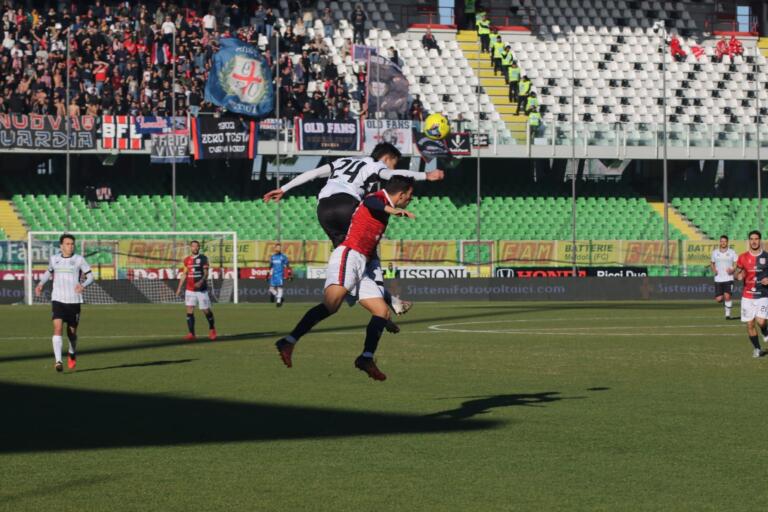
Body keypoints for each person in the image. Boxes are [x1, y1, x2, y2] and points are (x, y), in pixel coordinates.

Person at [262, 143, 445, 331]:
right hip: (347, 204)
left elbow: (313, 173)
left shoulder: (342, 161)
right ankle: (387, 302)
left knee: (349, 254)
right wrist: (426, 175)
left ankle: (377, 303)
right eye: (393, 163)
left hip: (323, 209)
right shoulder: (375, 166)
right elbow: (394, 176)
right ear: (387, 158)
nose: (391, 167)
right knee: (366, 251)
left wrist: (284, 188)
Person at [274, 176, 417, 380]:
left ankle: (366, 357)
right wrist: (392, 210)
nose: (410, 200)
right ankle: (288, 341)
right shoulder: (377, 198)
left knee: (382, 312)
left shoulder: (383, 204)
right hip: (349, 255)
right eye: (410, 196)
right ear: (401, 194)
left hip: (363, 263)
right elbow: (370, 202)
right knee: (331, 304)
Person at [34, 233, 94, 372]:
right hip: (58, 300)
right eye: (67, 244)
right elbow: (48, 272)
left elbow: (91, 276)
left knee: (71, 333)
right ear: (61, 246)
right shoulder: (54, 259)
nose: (70, 246)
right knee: (57, 328)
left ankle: (72, 352)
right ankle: (58, 361)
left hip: (74, 301)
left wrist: (83, 285)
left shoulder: (79, 259)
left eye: (72, 244)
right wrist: (41, 283)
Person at [733, 230, 768, 358]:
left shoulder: (766, 256)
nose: (754, 241)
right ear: (749, 241)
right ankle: (757, 349)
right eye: (752, 239)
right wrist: (737, 275)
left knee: (761, 321)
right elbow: (737, 273)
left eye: (756, 239)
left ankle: (765, 330)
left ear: (760, 240)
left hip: (763, 295)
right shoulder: (742, 257)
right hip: (747, 296)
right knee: (750, 324)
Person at [175, 240, 217, 341]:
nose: (195, 248)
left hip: (201, 289)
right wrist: (179, 288)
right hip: (189, 289)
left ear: (199, 248)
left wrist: (201, 281)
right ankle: (191, 333)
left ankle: (212, 328)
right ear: (190, 247)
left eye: (197, 246)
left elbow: (206, 273)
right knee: (189, 310)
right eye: (193, 246)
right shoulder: (186, 260)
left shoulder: (203, 258)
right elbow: (184, 274)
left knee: (205, 310)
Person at [710, 235, 737, 319]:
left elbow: (736, 263)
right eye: (721, 241)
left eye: (724, 241)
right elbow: (712, 263)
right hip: (718, 278)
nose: (723, 243)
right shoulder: (715, 252)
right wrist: (714, 269)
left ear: (727, 242)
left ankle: (727, 315)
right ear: (720, 242)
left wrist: (733, 270)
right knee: (719, 299)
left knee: (728, 296)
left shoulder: (732, 252)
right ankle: (725, 304)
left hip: (729, 278)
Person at [268, 243, 291, 307]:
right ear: (275, 248)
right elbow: (270, 266)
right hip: (273, 275)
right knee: (271, 289)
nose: (278, 249)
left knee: (279, 288)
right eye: (277, 247)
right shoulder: (272, 257)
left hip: (280, 275)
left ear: (281, 249)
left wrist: (289, 274)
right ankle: (279, 297)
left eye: (279, 247)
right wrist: (267, 275)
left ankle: (278, 301)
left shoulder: (283, 257)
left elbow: (288, 266)